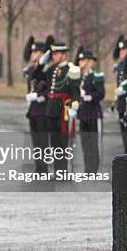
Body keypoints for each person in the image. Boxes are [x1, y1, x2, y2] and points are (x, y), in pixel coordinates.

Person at [43, 42, 80, 173]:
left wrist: (75, 104)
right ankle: (58, 169)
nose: (54, 56)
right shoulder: (51, 69)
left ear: (63, 54)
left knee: (63, 141)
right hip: (52, 108)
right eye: (53, 54)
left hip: (63, 108)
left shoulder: (71, 69)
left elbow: (75, 91)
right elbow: (45, 83)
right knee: (54, 140)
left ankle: (63, 170)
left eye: (56, 53)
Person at [74, 47, 104, 173]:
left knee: (93, 142)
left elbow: (100, 93)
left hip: (93, 113)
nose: (82, 63)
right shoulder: (78, 77)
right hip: (82, 114)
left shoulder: (96, 76)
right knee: (85, 143)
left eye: (84, 60)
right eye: (81, 60)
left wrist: (87, 96)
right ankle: (87, 168)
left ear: (90, 62)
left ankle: (94, 169)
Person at [22, 36, 50, 173]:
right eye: (32, 52)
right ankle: (39, 167)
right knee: (36, 140)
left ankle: (44, 167)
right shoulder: (30, 70)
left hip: (43, 109)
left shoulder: (46, 70)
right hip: (32, 110)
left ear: (41, 54)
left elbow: (49, 89)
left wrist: (39, 97)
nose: (32, 54)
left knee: (43, 140)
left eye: (35, 52)